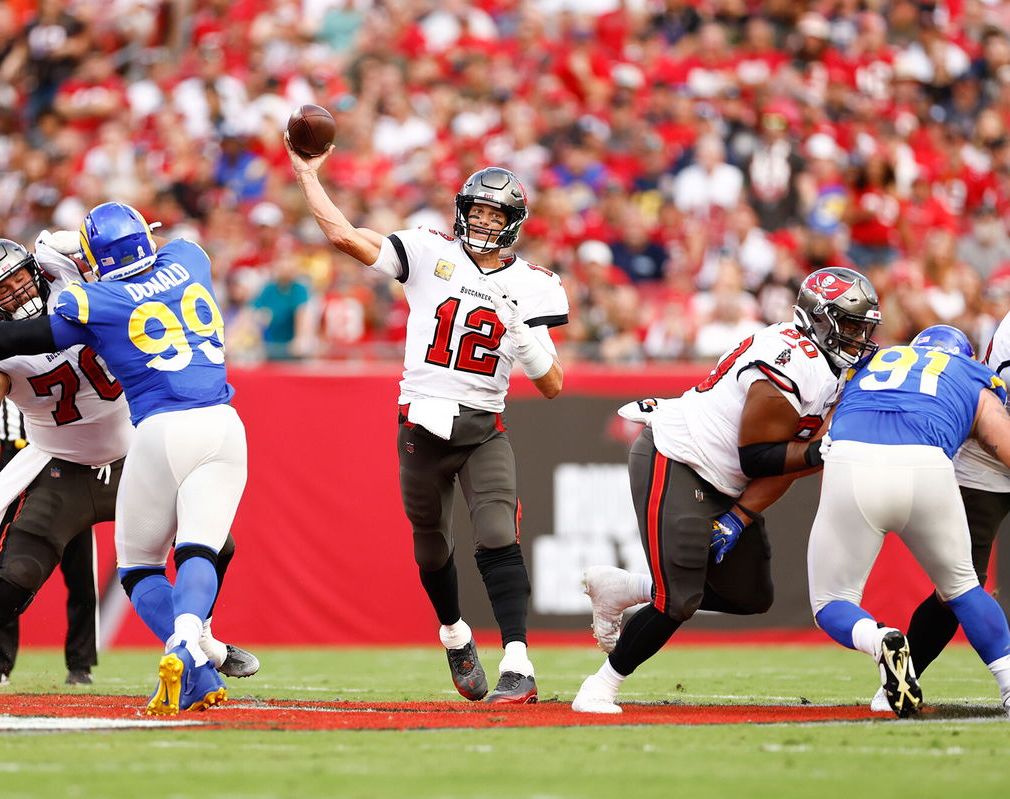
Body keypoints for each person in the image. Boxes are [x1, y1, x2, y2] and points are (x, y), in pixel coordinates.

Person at [0, 203, 251, 716]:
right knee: (11, 581)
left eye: (19, 279)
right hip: (63, 467)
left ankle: (198, 645)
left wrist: (55, 242)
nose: (17, 293)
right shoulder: (7, 335)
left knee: (213, 544)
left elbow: (85, 247)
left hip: (136, 453)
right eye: (0, 292)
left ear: (34, 267)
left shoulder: (74, 281)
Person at [287, 138, 569, 704]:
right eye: (479, 210)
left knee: (496, 535)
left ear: (514, 223)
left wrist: (523, 339)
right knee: (431, 549)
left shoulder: (535, 283)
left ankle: (518, 661)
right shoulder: (428, 250)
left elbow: (552, 384)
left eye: (497, 214)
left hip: (483, 426)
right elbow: (344, 236)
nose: (485, 222)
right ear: (463, 211)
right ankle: (455, 633)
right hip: (420, 427)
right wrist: (307, 175)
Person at [574, 267, 881, 714]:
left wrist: (739, 516)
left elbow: (787, 460)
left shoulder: (828, 366)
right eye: (850, 325)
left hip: (727, 479)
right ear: (819, 319)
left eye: (863, 327)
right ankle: (599, 687)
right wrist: (820, 452)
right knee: (676, 600)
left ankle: (627, 587)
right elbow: (760, 456)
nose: (858, 336)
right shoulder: (789, 361)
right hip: (681, 458)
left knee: (751, 596)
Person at [808, 325, 1010, 717]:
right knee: (964, 588)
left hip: (851, 462)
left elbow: (826, 417)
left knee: (831, 602)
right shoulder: (970, 373)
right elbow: (998, 437)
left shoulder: (868, 362)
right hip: (927, 466)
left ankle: (878, 637)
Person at [0, 396, 99, 687]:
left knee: (80, 566)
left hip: (66, 455)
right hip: (16, 458)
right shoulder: (3, 356)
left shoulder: (67, 351)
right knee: (2, 564)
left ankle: (81, 664)